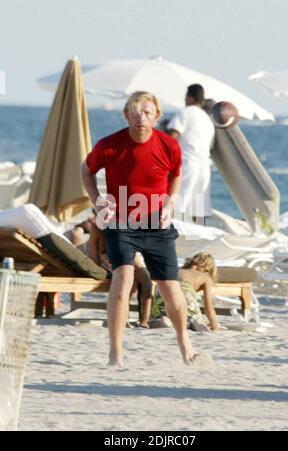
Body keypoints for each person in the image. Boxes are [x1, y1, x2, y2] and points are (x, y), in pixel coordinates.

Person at [81, 91, 206, 367]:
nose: (141, 118)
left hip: (157, 225)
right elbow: (85, 169)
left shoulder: (169, 146)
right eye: (135, 113)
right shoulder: (110, 145)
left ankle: (185, 343)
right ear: (126, 116)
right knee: (123, 279)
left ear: (157, 116)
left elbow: (175, 174)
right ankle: (116, 352)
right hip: (121, 223)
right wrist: (97, 201)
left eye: (147, 113)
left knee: (171, 287)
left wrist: (170, 203)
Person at [167, 84, 215, 225]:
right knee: (199, 210)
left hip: (188, 164)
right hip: (204, 168)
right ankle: (197, 240)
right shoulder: (208, 120)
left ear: (190, 97)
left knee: (177, 204)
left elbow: (172, 136)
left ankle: (173, 236)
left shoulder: (186, 112)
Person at [152, 253, 220, 332]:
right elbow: (208, 306)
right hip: (186, 295)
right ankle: (195, 322)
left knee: (161, 315)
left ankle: (163, 319)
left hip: (164, 293)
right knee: (194, 318)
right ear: (208, 268)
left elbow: (157, 287)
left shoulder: (174, 271)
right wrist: (215, 326)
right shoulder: (205, 277)